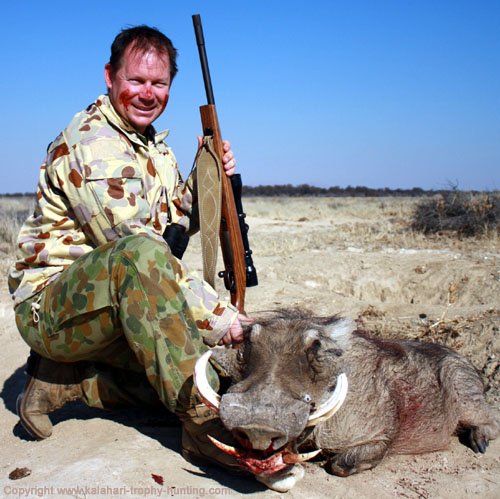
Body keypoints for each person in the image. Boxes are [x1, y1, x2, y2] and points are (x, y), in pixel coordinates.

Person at [8, 25, 245, 470]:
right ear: (109, 76)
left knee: (206, 375)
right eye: (136, 80)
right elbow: (138, 252)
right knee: (198, 379)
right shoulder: (93, 142)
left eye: (159, 84)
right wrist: (223, 319)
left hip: (119, 301)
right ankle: (205, 430)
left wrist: (204, 177)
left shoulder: (155, 146)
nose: (147, 94)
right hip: (52, 310)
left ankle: (71, 382)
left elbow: (171, 226)